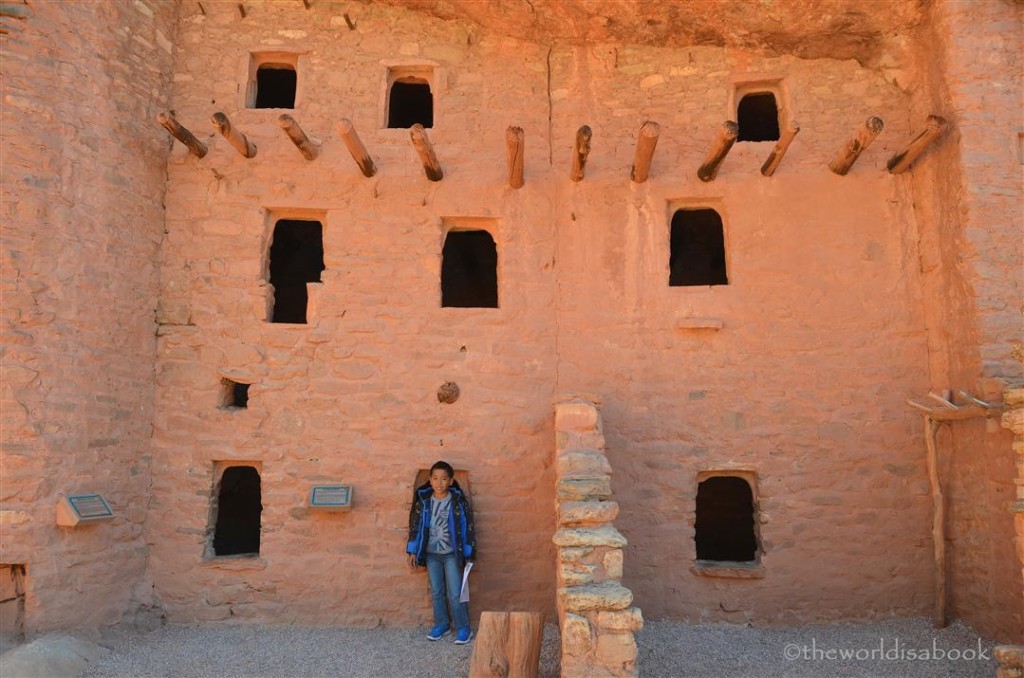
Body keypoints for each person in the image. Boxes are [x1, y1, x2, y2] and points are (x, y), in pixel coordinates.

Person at [407, 460, 476, 644]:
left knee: (455, 592)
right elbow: (415, 526)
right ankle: (442, 624)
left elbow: (467, 526)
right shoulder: (424, 501)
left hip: (452, 553)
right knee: (437, 591)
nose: (439, 483)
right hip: (431, 554)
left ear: (451, 481)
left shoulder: (457, 502)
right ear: (429, 480)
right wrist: (413, 550)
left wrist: (469, 551)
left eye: (444, 479)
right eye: (435, 478)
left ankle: (464, 628)